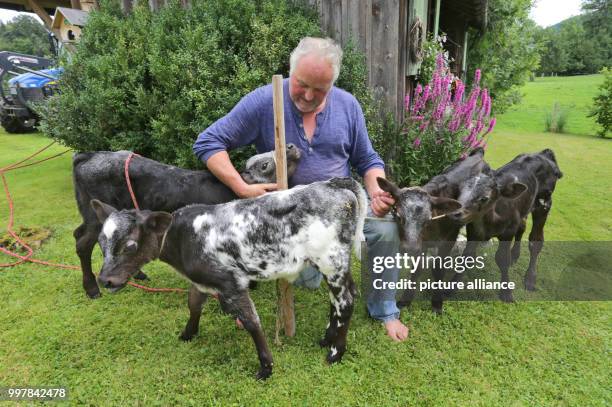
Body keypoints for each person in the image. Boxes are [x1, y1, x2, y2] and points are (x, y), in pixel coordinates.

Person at [193, 37, 408, 342]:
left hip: (340, 209)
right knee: (302, 274)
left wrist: (376, 192)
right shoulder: (264, 101)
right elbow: (208, 142)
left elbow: (368, 159)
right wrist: (241, 187)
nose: (307, 95)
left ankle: (385, 310)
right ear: (291, 72)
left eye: (319, 90)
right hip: (286, 217)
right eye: (301, 84)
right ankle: (242, 301)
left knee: (385, 231)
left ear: (332, 84)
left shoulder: (348, 106)